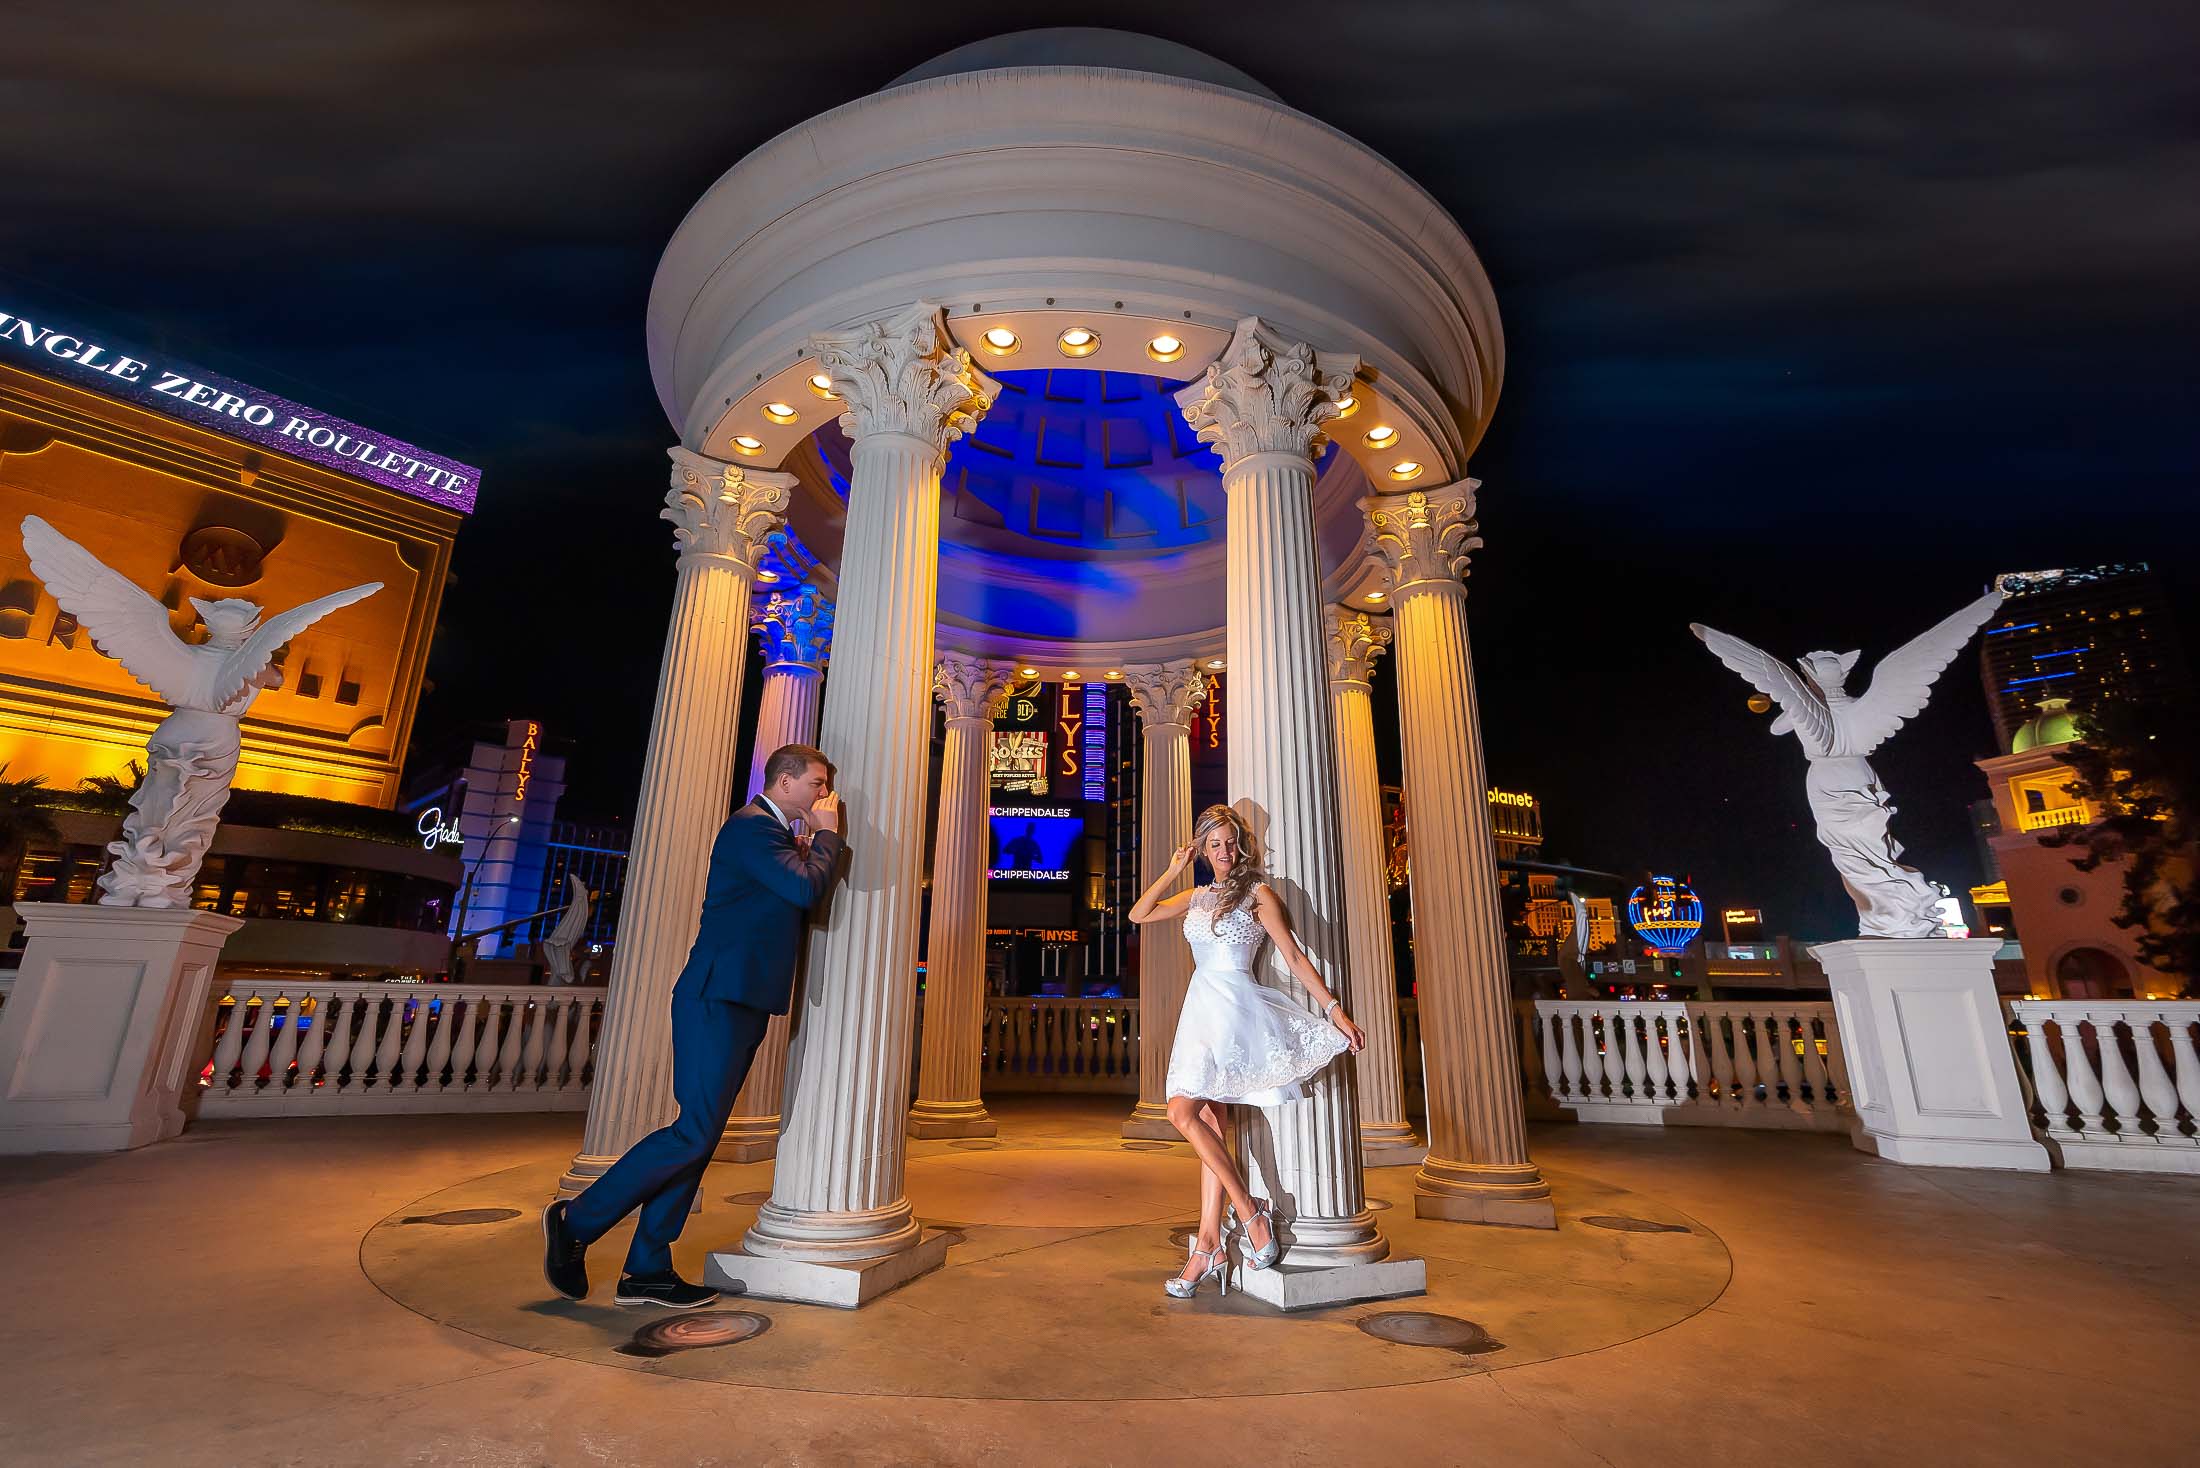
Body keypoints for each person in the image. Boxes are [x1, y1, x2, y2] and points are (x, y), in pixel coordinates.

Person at [542, 743, 843, 1308]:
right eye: (816, 784)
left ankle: (647, 1269)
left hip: (741, 998)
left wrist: (810, 844)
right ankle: (575, 1221)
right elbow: (805, 889)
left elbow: (788, 898)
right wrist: (827, 837)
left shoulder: (775, 837)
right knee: (692, 1133)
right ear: (783, 782)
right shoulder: (751, 828)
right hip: (716, 996)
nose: (822, 796)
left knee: (698, 1140)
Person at [1126, 803, 1365, 1298]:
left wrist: (1334, 1009)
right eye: (1214, 845)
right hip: (1200, 1013)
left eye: (1231, 842)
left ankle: (1250, 1215)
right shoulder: (1194, 895)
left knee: (1181, 1112)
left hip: (1236, 1010)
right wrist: (1174, 868)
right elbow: (1139, 913)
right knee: (1204, 1121)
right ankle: (1208, 1246)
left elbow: (1294, 955)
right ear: (1202, 850)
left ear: (1243, 843)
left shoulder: (1258, 894)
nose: (1225, 852)